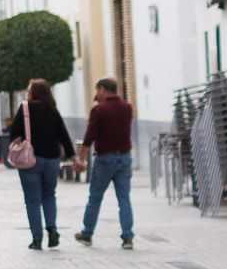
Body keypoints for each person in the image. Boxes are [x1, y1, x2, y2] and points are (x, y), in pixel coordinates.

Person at [8, 75, 76, 249]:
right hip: (52, 159)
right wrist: (72, 156)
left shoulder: (25, 109)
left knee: (32, 200)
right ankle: (52, 229)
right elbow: (63, 135)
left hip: (30, 160)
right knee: (49, 195)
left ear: (33, 92)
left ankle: (37, 239)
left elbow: (13, 134)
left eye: (29, 89)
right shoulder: (52, 109)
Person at [74, 76, 136, 249]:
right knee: (124, 199)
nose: (96, 94)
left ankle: (87, 233)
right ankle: (127, 237)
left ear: (102, 89)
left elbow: (90, 136)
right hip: (124, 157)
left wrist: (80, 157)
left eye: (97, 90)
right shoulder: (127, 108)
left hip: (105, 159)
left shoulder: (99, 110)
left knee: (95, 197)